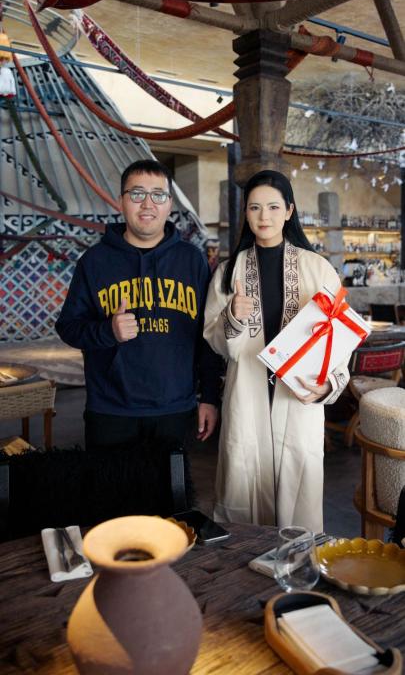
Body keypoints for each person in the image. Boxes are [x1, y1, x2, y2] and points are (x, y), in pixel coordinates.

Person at [203, 170, 349, 533]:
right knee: (243, 495)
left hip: (298, 400)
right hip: (246, 397)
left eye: (272, 207)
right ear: (246, 214)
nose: (263, 216)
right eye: (254, 207)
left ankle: (296, 564)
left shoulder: (317, 269)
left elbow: (339, 339)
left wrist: (328, 385)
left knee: (299, 510)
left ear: (289, 211)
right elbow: (213, 340)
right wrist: (232, 317)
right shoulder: (228, 272)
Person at [56, 159, 221, 463]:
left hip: (176, 408)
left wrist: (209, 397)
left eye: (158, 195)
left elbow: (207, 336)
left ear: (169, 204)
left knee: (172, 492)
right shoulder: (94, 261)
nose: (147, 203)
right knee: (112, 492)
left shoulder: (192, 260)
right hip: (110, 410)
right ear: (121, 201)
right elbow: (68, 327)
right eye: (137, 194)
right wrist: (108, 331)